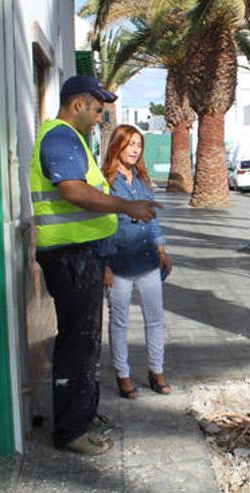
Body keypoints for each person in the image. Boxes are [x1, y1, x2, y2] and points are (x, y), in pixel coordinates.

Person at [31, 75, 160, 456]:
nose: (101, 118)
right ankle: (72, 431)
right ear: (78, 104)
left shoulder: (70, 140)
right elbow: (72, 190)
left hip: (81, 256)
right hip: (71, 257)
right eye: (98, 110)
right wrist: (126, 206)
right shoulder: (60, 137)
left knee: (85, 343)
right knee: (78, 345)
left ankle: (83, 416)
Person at [101, 125, 173, 400]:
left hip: (148, 262)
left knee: (155, 319)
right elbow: (100, 225)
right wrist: (104, 264)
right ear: (117, 145)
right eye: (130, 143)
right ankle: (123, 374)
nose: (134, 149)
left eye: (139, 145)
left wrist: (162, 250)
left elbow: (153, 219)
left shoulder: (143, 181)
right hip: (118, 264)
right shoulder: (104, 182)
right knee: (119, 322)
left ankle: (156, 371)